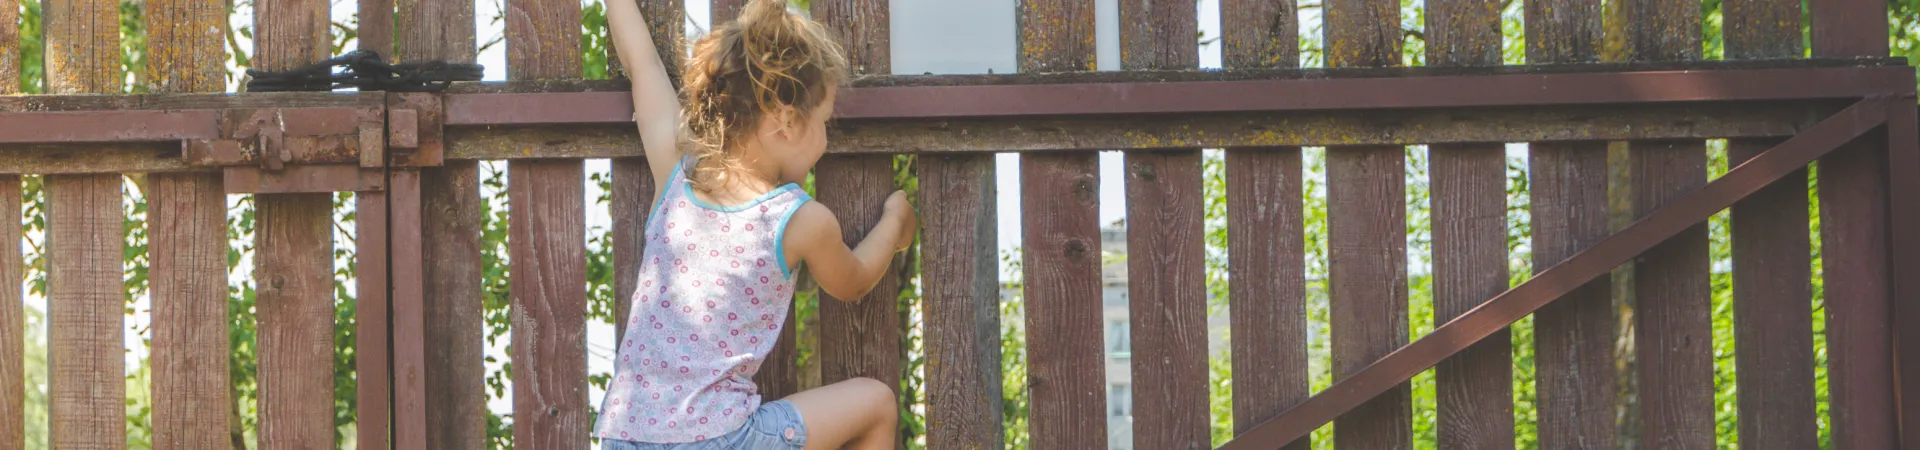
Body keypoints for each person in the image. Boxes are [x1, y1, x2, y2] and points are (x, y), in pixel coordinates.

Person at [597, 0, 913, 448]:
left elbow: (642, 65)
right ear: (786, 121)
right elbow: (854, 280)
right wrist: (895, 224)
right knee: (877, 403)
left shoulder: (677, 176)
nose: (824, 139)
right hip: (720, 440)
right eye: (823, 122)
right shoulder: (798, 218)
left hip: (623, 436)